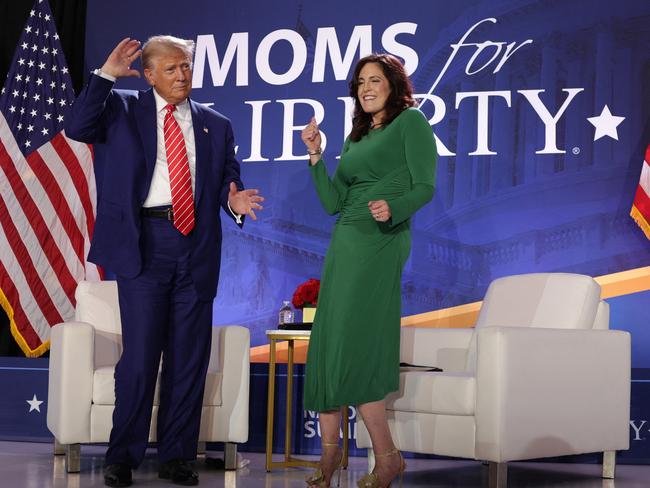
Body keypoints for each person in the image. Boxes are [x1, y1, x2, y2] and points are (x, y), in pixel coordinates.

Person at [65, 36, 264, 487]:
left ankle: (177, 457)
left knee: (188, 359)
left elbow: (227, 182)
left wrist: (234, 201)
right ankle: (122, 457)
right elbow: (77, 126)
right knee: (138, 358)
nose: (182, 76)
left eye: (187, 67)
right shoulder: (121, 109)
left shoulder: (217, 123)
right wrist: (106, 74)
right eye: (171, 69)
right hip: (143, 243)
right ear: (150, 74)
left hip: (196, 246)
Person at [300, 53, 437, 488]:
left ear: (394, 85)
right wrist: (317, 157)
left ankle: (387, 457)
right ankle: (332, 454)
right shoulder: (356, 136)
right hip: (346, 241)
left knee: (357, 343)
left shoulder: (410, 123)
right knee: (332, 341)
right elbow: (333, 203)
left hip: (382, 239)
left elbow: (426, 185)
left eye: (375, 80)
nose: (366, 88)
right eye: (360, 82)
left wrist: (394, 207)